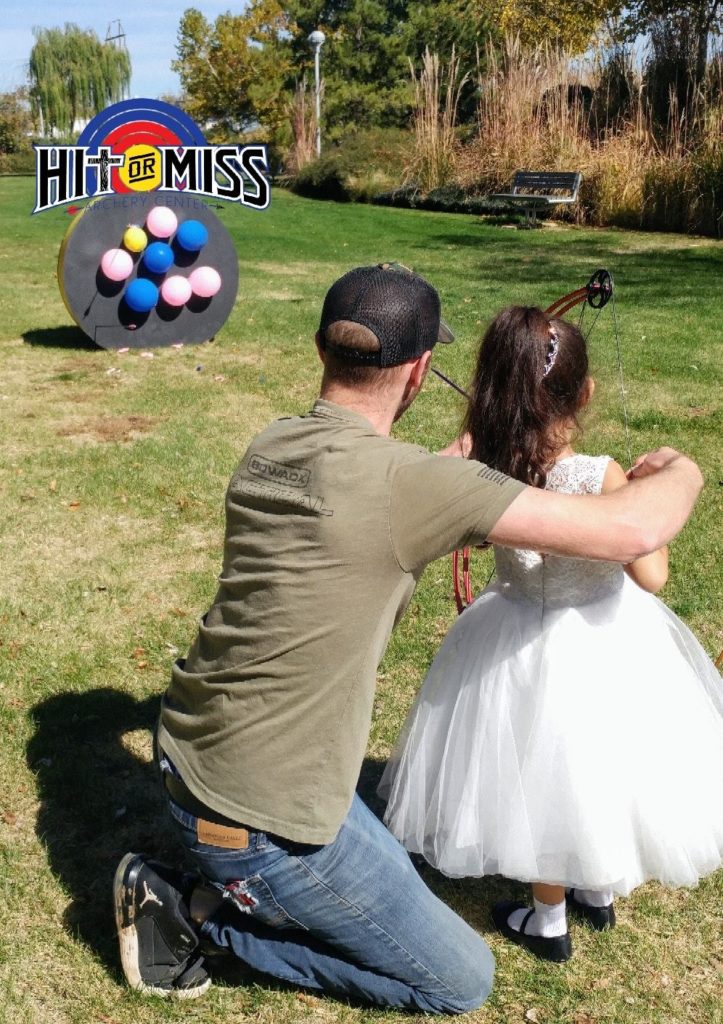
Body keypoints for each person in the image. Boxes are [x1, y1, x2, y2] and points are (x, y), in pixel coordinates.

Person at [114, 266, 704, 1010]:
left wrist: (477, 448)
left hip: (192, 753)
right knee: (458, 981)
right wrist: (679, 470)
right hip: (257, 818)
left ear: (321, 349)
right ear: (421, 370)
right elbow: (635, 530)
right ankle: (193, 913)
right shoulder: (415, 486)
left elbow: (411, 482)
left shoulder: (276, 443)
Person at [380, 305, 723, 964]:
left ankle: (554, 909)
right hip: (606, 636)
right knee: (593, 763)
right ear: (584, 392)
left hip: (513, 636)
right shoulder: (599, 475)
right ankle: (573, 904)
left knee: (540, 772)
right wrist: (647, 488)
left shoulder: (488, 476)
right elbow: (649, 572)